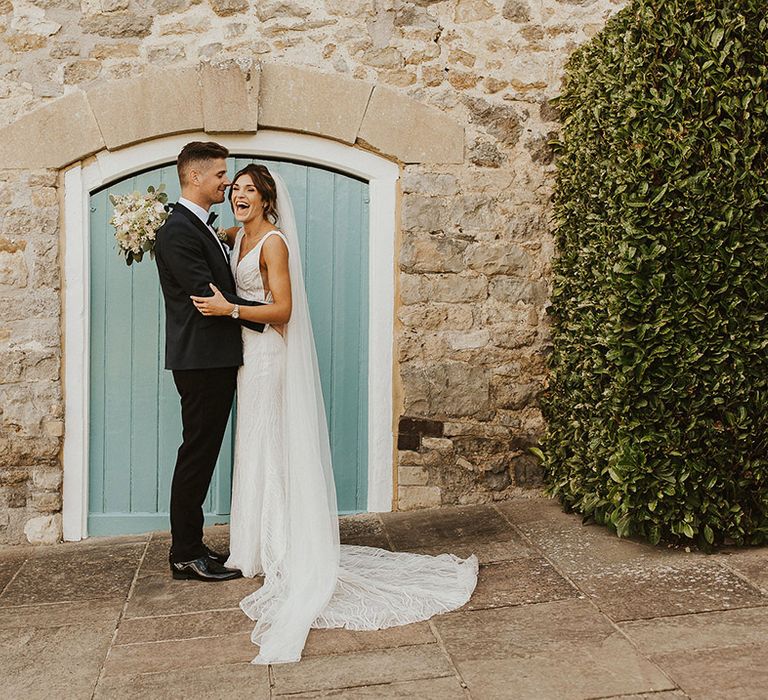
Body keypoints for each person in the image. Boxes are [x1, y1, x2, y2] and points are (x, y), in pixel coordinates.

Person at [191, 164, 478, 664]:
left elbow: (283, 311)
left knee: (271, 445)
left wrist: (230, 310)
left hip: (267, 357)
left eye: (249, 191)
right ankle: (254, 546)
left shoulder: (274, 243)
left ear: (267, 199)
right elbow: (202, 237)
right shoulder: (234, 236)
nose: (239, 196)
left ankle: (280, 549)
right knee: (256, 445)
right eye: (234, 189)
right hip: (245, 359)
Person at [154, 141, 266, 583]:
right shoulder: (179, 230)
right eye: (220, 175)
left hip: (212, 358)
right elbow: (208, 297)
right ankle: (184, 553)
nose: (227, 181)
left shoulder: (199, 226)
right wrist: (269, 315)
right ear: (196, 177)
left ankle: (194, 544)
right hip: (200, 360)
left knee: (202, 452)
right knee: (197, 454)